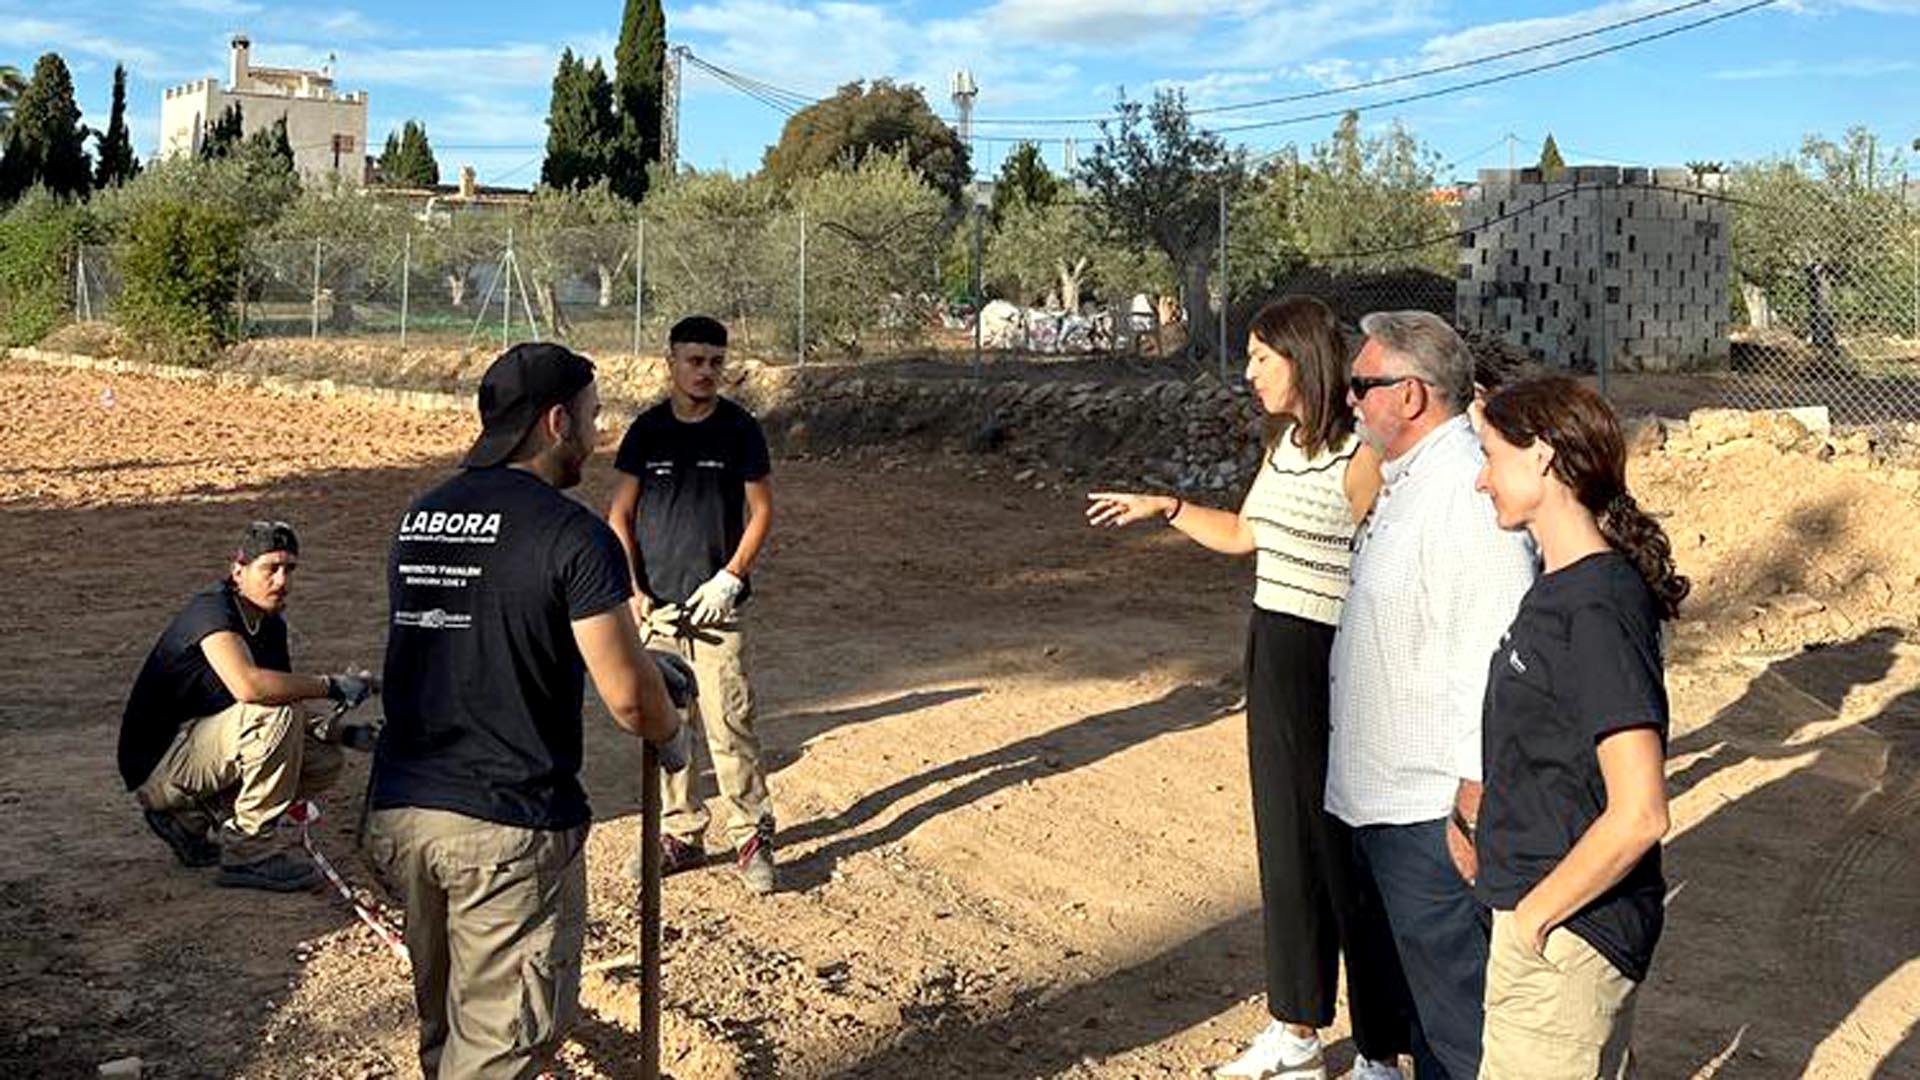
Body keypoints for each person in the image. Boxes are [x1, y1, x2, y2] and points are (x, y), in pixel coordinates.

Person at [1088, 296, 1415, 1080]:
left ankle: (1380, 1051)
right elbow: (1243, 535)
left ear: (1302, 360)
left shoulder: (1361, 455)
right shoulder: (1283, 446)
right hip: (1274, 649)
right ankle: (1296, 1033)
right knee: (1287, 848)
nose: (1250, 373)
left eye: (1262, 358)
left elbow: (1393, 567)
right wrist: (1167, 507)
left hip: (1339, 661)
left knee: (1347, 858)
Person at [367, 342, 686, 1080]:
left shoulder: (421, 517)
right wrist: (670, 729)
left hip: (407, 811)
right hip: (504, 827)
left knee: (448, 1028)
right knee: (500, 1048)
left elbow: (481, 629)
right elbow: (629, 699)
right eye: (592, 417)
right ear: (556, 422)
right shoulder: (573, 533)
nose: (597, 435)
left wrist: (645, 668)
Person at [1328, 311, 1539, 1079]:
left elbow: (1494, 663)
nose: (1349, 398)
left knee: (1460, 1036)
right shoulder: (1413, 482)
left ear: (1411, 395)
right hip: (1383, 805)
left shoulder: (1462, 494)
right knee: (1420, 1022)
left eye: (1362, 384)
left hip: (1431, 817)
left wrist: (1471, 810)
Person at [1471, 376, 1683, 1080]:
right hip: (1543, 921)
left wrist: (1535, 919)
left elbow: (1640, 812)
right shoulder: (1562, 585)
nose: (1480, 479)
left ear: (1541, 458)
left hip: (1566, 937)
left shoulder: (1596, 607)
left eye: (1491, 456)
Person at [608, 315, 778, 895]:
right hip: (659, 611)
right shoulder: (647, 431)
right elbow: (619, 515)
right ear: (672, 363)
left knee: (731, 721)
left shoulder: (740, 430)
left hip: (715, 612)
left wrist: (731, 577)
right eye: (695, 360)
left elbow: (761, 512)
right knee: (668, 728)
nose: (705, 372)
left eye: (715, 362)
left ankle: (751, 835)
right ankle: (680, 833)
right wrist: (634, 591)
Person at [117, 520, 375, 891]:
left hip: (199, 752)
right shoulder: (212, 611)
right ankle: (249, 853)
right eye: (271, 568)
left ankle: (188, 820)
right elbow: (251, 688)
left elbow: (285, 705)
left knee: (322, 760)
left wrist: (346, 733)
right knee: (275, 715)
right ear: (239, 570)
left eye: (289, 569)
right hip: (159, 763)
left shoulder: (269, 623)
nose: (282, 580)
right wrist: (332, 685)